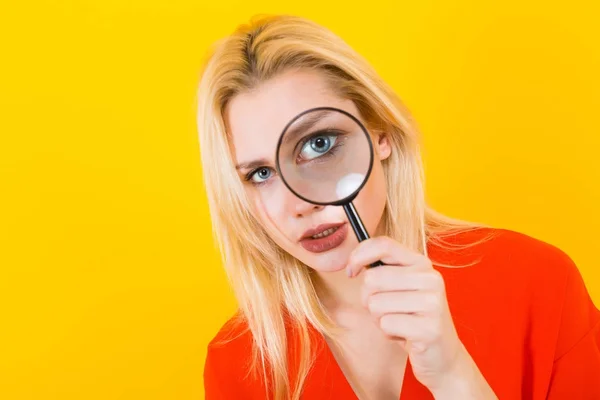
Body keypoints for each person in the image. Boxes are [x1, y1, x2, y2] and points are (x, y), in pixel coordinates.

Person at [195, 14, 600, 400]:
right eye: (260, 174)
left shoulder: (539, 284)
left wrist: (453, 375)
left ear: (380, 132)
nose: (299, 204)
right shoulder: (239, 362)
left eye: (318, 144)